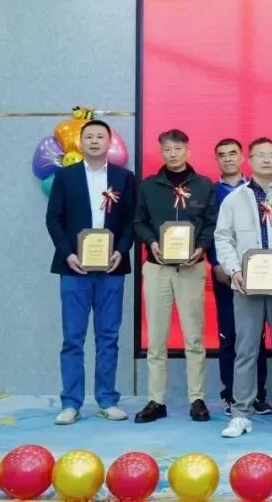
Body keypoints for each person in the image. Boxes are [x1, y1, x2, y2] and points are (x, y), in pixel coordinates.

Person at [45, 120, 136, 425]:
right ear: (81, 143)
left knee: (108, 336)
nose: (95, 141)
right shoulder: (65, 176)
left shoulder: (124, 177)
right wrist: (68, 253)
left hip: (111, 267)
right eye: (89, 137)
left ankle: (107, 399)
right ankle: (71, 403)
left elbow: (131, 220)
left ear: (109, 142)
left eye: (100, 136)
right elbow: (54, 218)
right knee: (73, 338)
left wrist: (120, 250)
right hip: (74, 268)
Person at [214, 138, 272, 438]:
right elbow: (223, 238)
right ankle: (241, 413)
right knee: (245, 349)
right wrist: (234, 269)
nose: (266, 160)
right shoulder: (234, 199)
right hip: (246, 284)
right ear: (250, 160)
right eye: (260, 155)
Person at [132, 128, 217, 424]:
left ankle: (197, 399)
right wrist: (151, 242)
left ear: (188, 151)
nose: (173, 154)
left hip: (191, 268)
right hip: (157, 268)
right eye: (167, 149)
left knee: (194, 337)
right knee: (157, 338)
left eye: (178, 148)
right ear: (161, 152)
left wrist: (201, 247)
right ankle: (156, 400)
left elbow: (211, 223)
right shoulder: (148, 186)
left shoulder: (204, 185)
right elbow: (138, 222)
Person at [209, 139, 271, 417]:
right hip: (225, 274)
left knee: (256, 335)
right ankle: (231, 394)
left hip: (259, 271)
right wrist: (217, 264)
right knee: (229, 335)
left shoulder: (258, 189)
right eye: (221, 155)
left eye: (233, 153)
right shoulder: (211, 193)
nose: (228, 158)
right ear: (216, 160)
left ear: (243, 157)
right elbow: (210, 231)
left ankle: (258, 395)